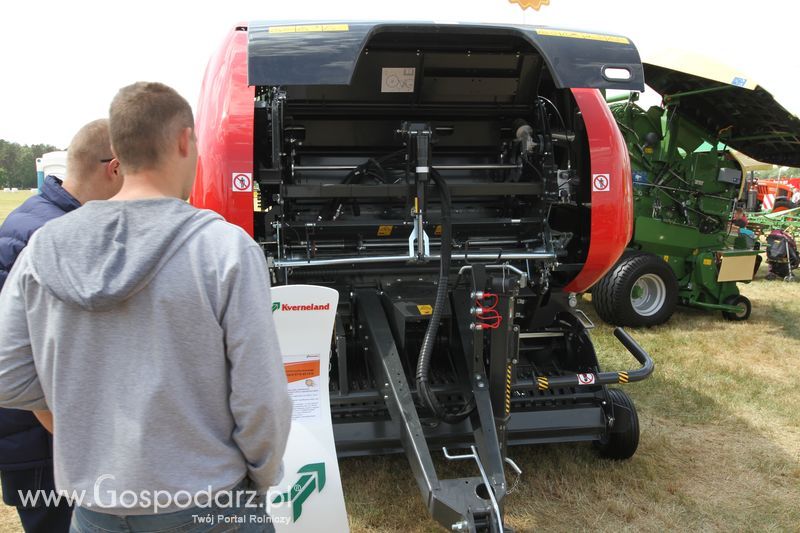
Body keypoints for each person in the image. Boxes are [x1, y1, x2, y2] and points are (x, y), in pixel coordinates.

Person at [0, 82, 291, 532]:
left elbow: (7, 374)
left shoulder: (44, 247)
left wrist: (82, 405)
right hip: (212, 504)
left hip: (96, 509)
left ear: (119, 148)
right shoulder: (224, 248)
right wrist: (262, 475)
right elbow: (261, 397)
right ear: (183, 141)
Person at [0, 118, 123, 533]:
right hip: (47, 446)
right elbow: (30, 361)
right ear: (115, 168)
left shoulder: (38, 220)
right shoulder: (51, 236)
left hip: (37, 442)